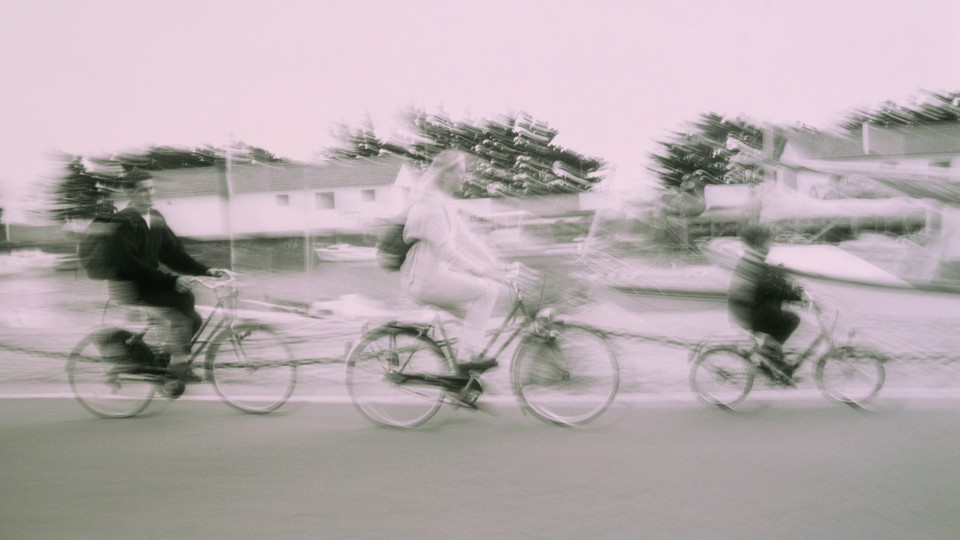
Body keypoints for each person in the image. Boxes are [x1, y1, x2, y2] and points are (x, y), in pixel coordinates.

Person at [110, 168, 227, 383]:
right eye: (144, 190)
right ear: (130, 193)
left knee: (193, 318)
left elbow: (173, 254)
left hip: (149, 281)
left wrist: (206, 270)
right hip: (129, 286)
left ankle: (167, 360)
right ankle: (177, 365)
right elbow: (133, 266)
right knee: (182, 303)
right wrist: (173, 280)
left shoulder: (155, 218)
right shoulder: (123, 223)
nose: (150, 194)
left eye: (152, 189)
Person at [400, 150, 511, 374]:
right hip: (425, 281)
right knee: (487, 292)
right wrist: (484, 273)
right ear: (445, 175)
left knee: (473, 319)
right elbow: (448, 252)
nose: (464, 177)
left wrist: (496, 264)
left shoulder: (443, 204)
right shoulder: (431, 208)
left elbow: (466, 238)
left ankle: (462, 375)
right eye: (460, 173)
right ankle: (465, 360)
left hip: (432, 277)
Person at [727, 223, 804, 380]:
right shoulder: (755, 262)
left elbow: (769, 278)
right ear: (759, 242)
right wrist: (796, 296)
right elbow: (768, 287)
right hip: (748, 313)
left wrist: (786, 280)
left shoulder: (752, 258)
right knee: (791, 319)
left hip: (745, 309)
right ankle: (767, 354)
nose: (771, 244)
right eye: (769, 241)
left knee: (781, 316)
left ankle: (769, 355)